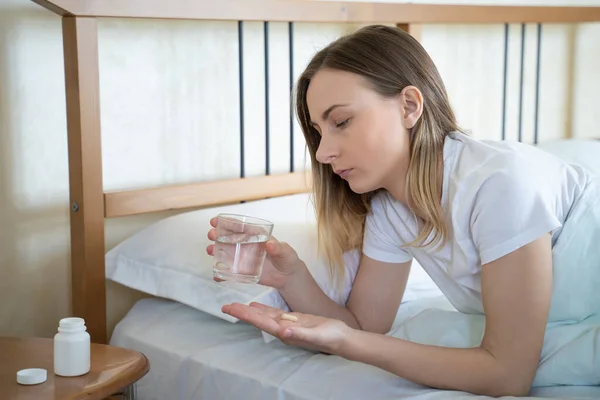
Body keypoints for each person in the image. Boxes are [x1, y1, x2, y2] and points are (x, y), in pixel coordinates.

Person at [206, 25, 599, 397]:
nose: (323, 153)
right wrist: (293, 278)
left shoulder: (499, 184)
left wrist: (354, 343)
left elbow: (508, 374)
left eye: (341, 121)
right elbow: (363, 327)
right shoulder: (391, 211)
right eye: (319, 132)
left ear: (409, 106)